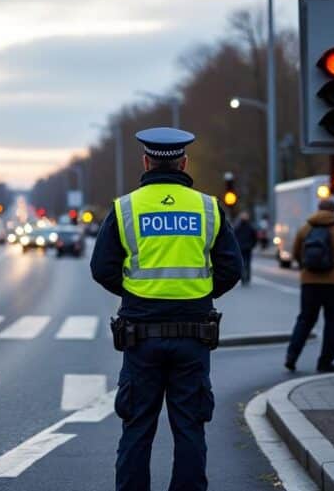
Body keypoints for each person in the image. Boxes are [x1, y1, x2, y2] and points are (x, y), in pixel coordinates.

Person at [91, 127, 243, 491]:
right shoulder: (208, 207)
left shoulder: (125, 207)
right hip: (194, 336)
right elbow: (232, 268)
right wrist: (198, 294)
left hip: (140, 337)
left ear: (146, 161)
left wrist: (138, 294)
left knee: (137, 429)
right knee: (190, 428)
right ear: (184, 162)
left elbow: (102, 268)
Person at [285, 199, 334, 373]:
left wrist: (306, 268)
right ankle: (325, 362)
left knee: (305, 320)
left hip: (309, 282)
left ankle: (291, 357)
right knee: (333, 323)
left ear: (318, 209)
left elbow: (295, 254)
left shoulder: (305, 229)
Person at [234, 212, 258, 286]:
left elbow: (234, 237)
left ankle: (244, 278)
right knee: (247, 264)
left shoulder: (238, 227)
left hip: (241, 248)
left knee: (242, 263)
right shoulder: (250, 227)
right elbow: (255, 237)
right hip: (247, 248)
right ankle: (247, 278)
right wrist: (252, 245)